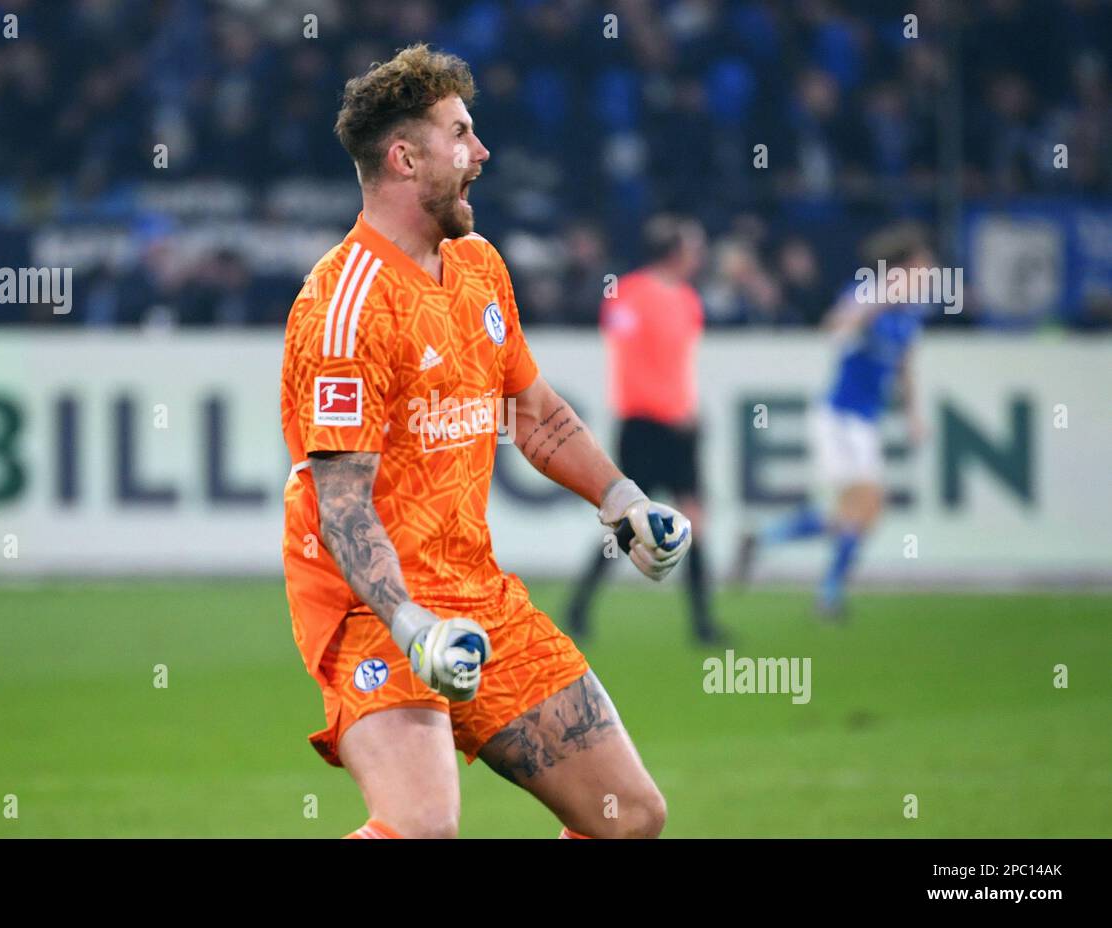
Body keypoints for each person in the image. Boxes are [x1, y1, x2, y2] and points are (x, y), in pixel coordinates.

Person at [280, 45, 693, 839]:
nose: (483, 152)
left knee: (629, 818)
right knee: (423, 828)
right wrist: (410, 627)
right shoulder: (346, 305)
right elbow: (340, 504)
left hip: (476, 590)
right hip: (374, 605)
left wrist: (624, 501)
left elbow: (531, 413)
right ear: (405, 158)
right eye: (462, 134)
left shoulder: (478, 268)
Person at [733, 222, 933, 618]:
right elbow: (837, 325)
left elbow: (905, 368)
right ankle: (827, 594)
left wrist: (913, 416)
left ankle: (764, 540)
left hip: (865, 421)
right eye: (923, 268)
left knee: (857, 513)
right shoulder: (867, 296)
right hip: (840, 417)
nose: (930, 276)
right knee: (863, 506)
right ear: (903, 268)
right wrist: (882, 297)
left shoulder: (909, 316)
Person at [565, 214, 721, 643]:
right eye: (693, 247)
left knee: (695, 519)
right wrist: (671, 406)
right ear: (676, 251)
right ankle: (578, 607)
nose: (699, 255)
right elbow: (632, 362)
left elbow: (677, 366)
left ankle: (703, 623)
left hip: (679, 426)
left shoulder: (688, 300)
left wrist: (687, 407)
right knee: (630, 525)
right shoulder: (629, 295)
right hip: (645, 425)